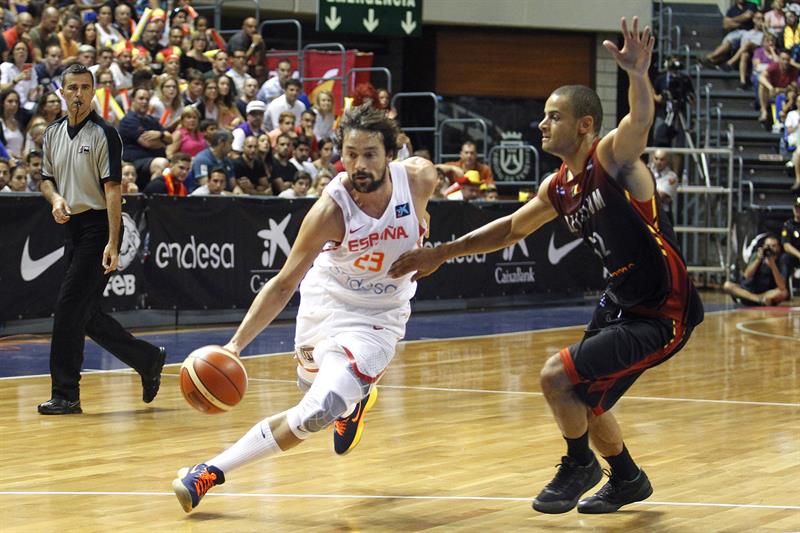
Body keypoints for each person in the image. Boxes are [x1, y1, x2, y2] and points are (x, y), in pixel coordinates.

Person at [389, 17, 704, 515]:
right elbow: (511, 229)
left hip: (662, 310)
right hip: (620, 298)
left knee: (558, 378)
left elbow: (638, 122)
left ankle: (579, 464)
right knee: (586, 396)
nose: (541, 123)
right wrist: (441, 252)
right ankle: (626, 477)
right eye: (543, 115)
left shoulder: (612, 159)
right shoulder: (558, 186)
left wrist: (638, 75)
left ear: (583, 125)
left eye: (552, 116)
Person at [171, 102, 437, 512]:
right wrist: (234, 346)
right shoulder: (331, 209)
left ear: (391, 153)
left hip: (379, 317)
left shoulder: (419, 178)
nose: (358, 164)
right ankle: (355, 400)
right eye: (350, 154)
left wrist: (423, 248)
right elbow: (282, 284)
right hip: (326, 301)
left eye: (369, 154)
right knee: (311, 388)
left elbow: (421, 220)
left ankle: (208, 472)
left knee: (317, 410)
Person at [37, 63, 165, 415]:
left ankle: (65, 393)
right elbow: (46, 179)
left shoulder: (104, 133)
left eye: (84, 87)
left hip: (99, 227)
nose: (78, 93)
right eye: (72, 87)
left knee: (67, 307)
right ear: (61, 93)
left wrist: (113, 241)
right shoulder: (52, 133)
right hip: (73, 226)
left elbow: (113, 191)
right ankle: (148, 359)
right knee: (86, 313)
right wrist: (56, 198)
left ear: (93, 92)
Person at [723, 234, 789, 305]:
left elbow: (782, 286)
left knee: (783, 293)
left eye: (773, 246)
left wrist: (773, 265)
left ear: (779, 247)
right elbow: (747, 275)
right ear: (763, 246)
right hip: (750, 290)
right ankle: (757, 300)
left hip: (767, 293)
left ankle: (755, 299)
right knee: (727, 285)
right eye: (768, 246)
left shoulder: (782, 260)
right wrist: (758, 260)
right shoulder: (757, 255)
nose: (770, 248)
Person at [702, 0, 757, 66]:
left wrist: (732, 20)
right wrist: (741, 21)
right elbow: (725, 25)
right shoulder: (732, 10)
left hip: (749, 32)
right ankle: (710, 58)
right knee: (728, 42)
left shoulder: (751, 5)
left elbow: (748, 16)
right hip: (736, 32)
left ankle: (710, 58)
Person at [648, 148, 679, 224]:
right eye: (656, 159)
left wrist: (645, 188)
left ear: (667, 160)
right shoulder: (647, 171)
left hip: (663, 214)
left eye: (662, 160)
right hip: (648, 213)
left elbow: (660, 196)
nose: (658, 162)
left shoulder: (672, 177)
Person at [779, 196, 800, 283]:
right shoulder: (788, 225)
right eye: (797, 208)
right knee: (784, 258)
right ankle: (783, 287)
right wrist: (799, 255)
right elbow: (786, 245)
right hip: (795, 256)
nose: (798, 210)